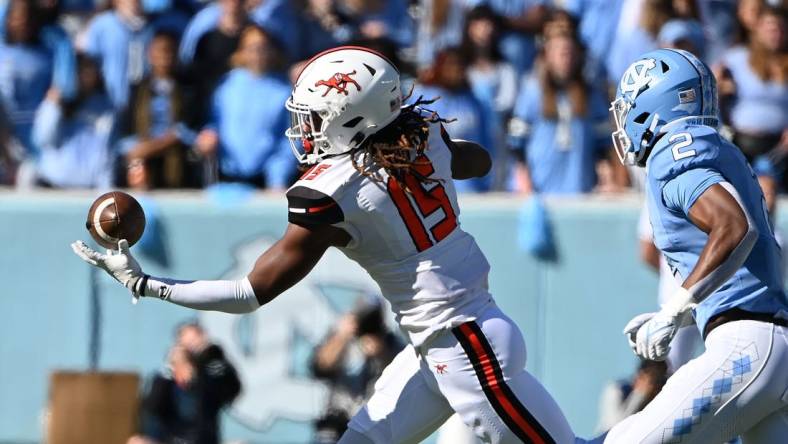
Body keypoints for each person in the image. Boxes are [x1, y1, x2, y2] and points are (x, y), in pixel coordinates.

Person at [71, 46, 581, 444]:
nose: (304, 129)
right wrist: (428, 154)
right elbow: (480, 162)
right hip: (444, 340)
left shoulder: (332, 194)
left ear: (354, 119)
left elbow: (248, 293)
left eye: (315, 117)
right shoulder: (421, 132)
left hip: (467, 348)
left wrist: (148, 283)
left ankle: (668, 411)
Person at [605, 48, 788, 442]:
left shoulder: (675, 150)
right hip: (770, 344)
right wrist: (683, 317)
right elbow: (746, 271)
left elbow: (734, 226)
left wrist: (673, 310)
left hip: (745, 346)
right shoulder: (716, 148)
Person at [193, 25, 294, 189]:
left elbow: (291, 140)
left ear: (272, 51)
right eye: (251, 48)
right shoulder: (226, 85)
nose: (257, 54)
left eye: (262, 48)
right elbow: (213, 121)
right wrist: (208, 136)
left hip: (266, 182)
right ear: (242, 51)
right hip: (226, 179)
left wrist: (277, 178)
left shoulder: (284, 91)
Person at [130, 322, 242, 444]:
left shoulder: (210, 374)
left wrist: (212, 356)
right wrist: (173, 367)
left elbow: (232, 390)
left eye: (198, 339)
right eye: (189, 341)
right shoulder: (165, 379)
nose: (194, 345)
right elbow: (152, 409)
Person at [310, 299, 404, 443]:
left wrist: (381, 353)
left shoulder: (391, 343)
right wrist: (343, 336)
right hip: (336, 422)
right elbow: (321, 368)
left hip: (373, 425)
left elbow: (403, 376)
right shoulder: (340, 337)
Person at [120, 31, 200, 189]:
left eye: (169, 51)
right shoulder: (137, 89)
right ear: (149, 54)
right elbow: (125, 135)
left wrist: (152, 147)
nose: (164, 56)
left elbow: (187, 131)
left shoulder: (188, 89)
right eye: (159, 51)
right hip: (142, 160)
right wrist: (137, 150)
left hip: (177, 158)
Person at [32, 54, 115, 189]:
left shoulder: (106, 107)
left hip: (89, 189)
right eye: (81, 71)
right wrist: (53, 106)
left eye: (90, 72)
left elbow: (106, 152)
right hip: (52, 186)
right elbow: (42, 139)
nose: (86, 77)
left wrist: (105, 187)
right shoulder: (54, 102)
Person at [595, 360, 668, 433]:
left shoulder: (660, 393)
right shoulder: (616, 389)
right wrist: (639, 395)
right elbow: (615, 428)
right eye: (651, 382)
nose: (652, 388)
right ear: (640, 376)